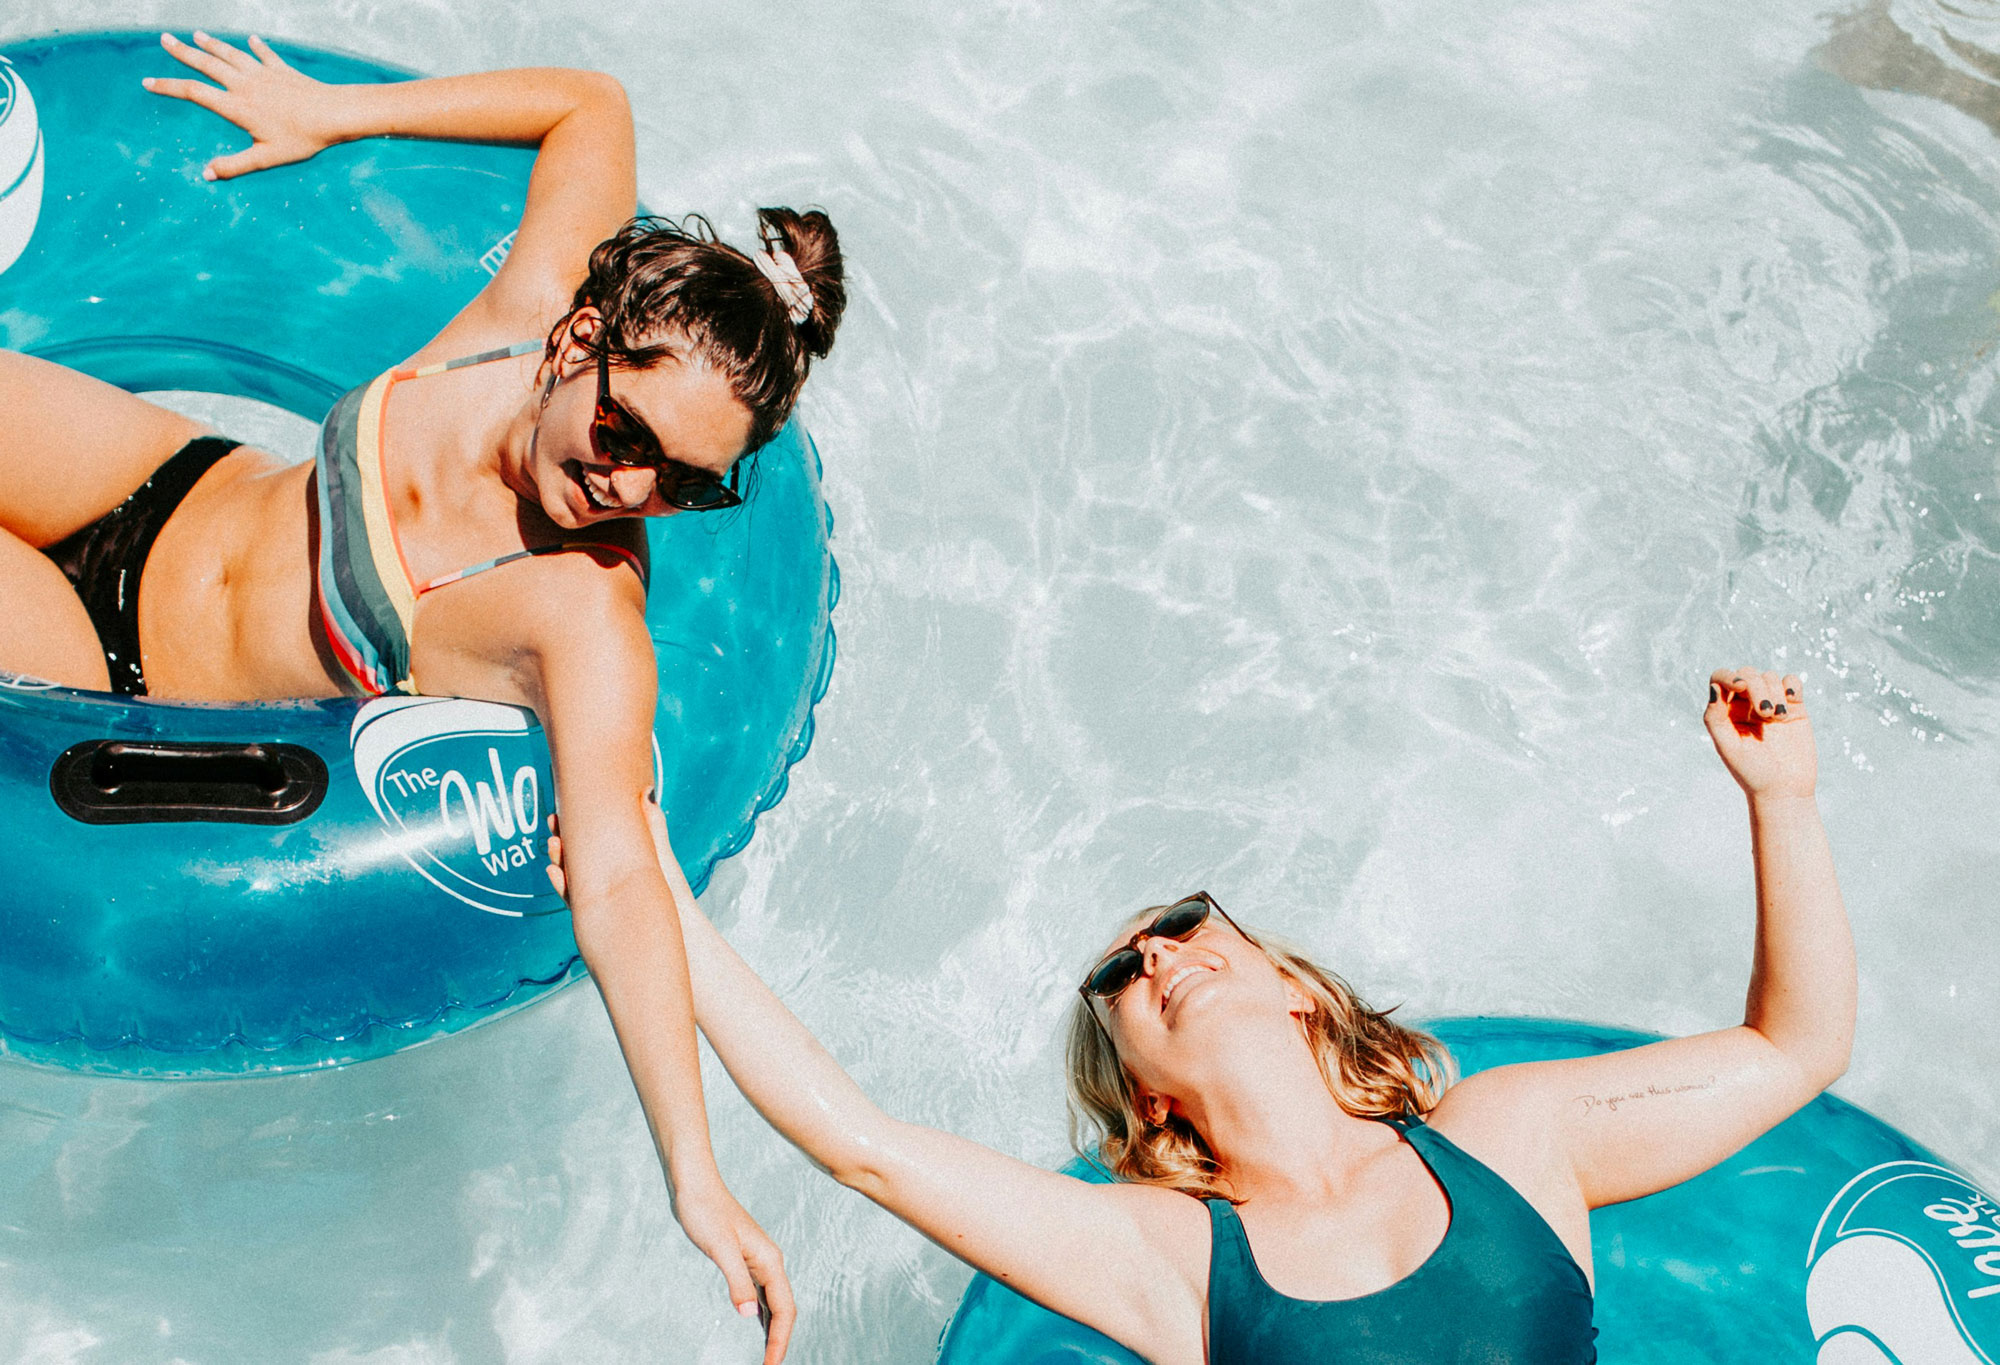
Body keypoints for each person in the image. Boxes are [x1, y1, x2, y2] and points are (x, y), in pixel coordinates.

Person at [0, 33, 845, 1357]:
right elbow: (591, 104)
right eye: (626, 434)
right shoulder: (523, 309)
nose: (631, 490)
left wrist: (695, 1174)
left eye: (687, 483)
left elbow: (620, 882)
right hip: (161, 481)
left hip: (112, 678)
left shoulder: (579, 615)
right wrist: (333, 113)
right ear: (577, 340)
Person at [554, 667, 1852, 1362]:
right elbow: (865, 1145)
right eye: (1118, 975)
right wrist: (655, 891)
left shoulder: (1514, 1137)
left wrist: (1780, 797)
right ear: (1141, 1091)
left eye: (1182, 921)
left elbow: (1795, 1049)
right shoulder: (1172, 1261)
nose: (1158, 955)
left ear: (1295, 984)